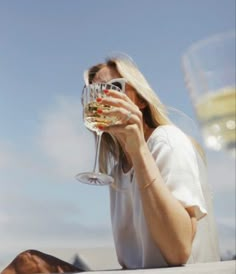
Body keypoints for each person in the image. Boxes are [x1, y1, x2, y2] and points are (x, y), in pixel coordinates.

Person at [2, 55, 220, 273]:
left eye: (114, 88)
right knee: (28, 263)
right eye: (92, 93)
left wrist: (139, 151)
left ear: (141, 100)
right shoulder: (118, 171)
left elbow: (177, 251)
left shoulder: (167, 141)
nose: (102, 99)